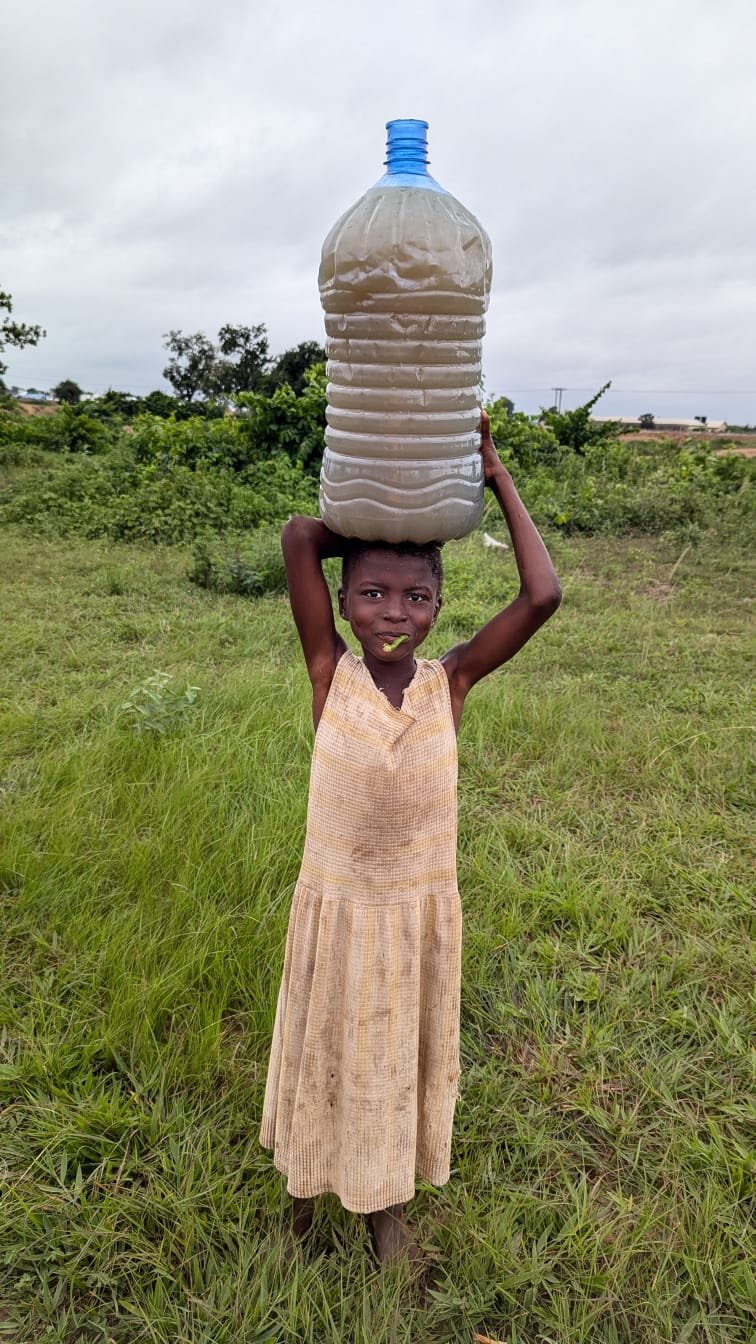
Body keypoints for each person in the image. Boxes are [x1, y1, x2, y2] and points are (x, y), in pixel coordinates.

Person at [259, 412, 561, 1263]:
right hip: (339, 910)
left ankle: (386, 1211)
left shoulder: (451, 682)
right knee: (326, 1047)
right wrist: (388, 500)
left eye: (416, 596)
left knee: (393, 1060)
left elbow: (544, 597)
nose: (394, 613)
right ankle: (305, 1198)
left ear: (439, 607)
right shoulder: (331, 673)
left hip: (414, 916)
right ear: (344, 599)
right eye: (371, 593)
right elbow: (297, 535)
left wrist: (492, 479)